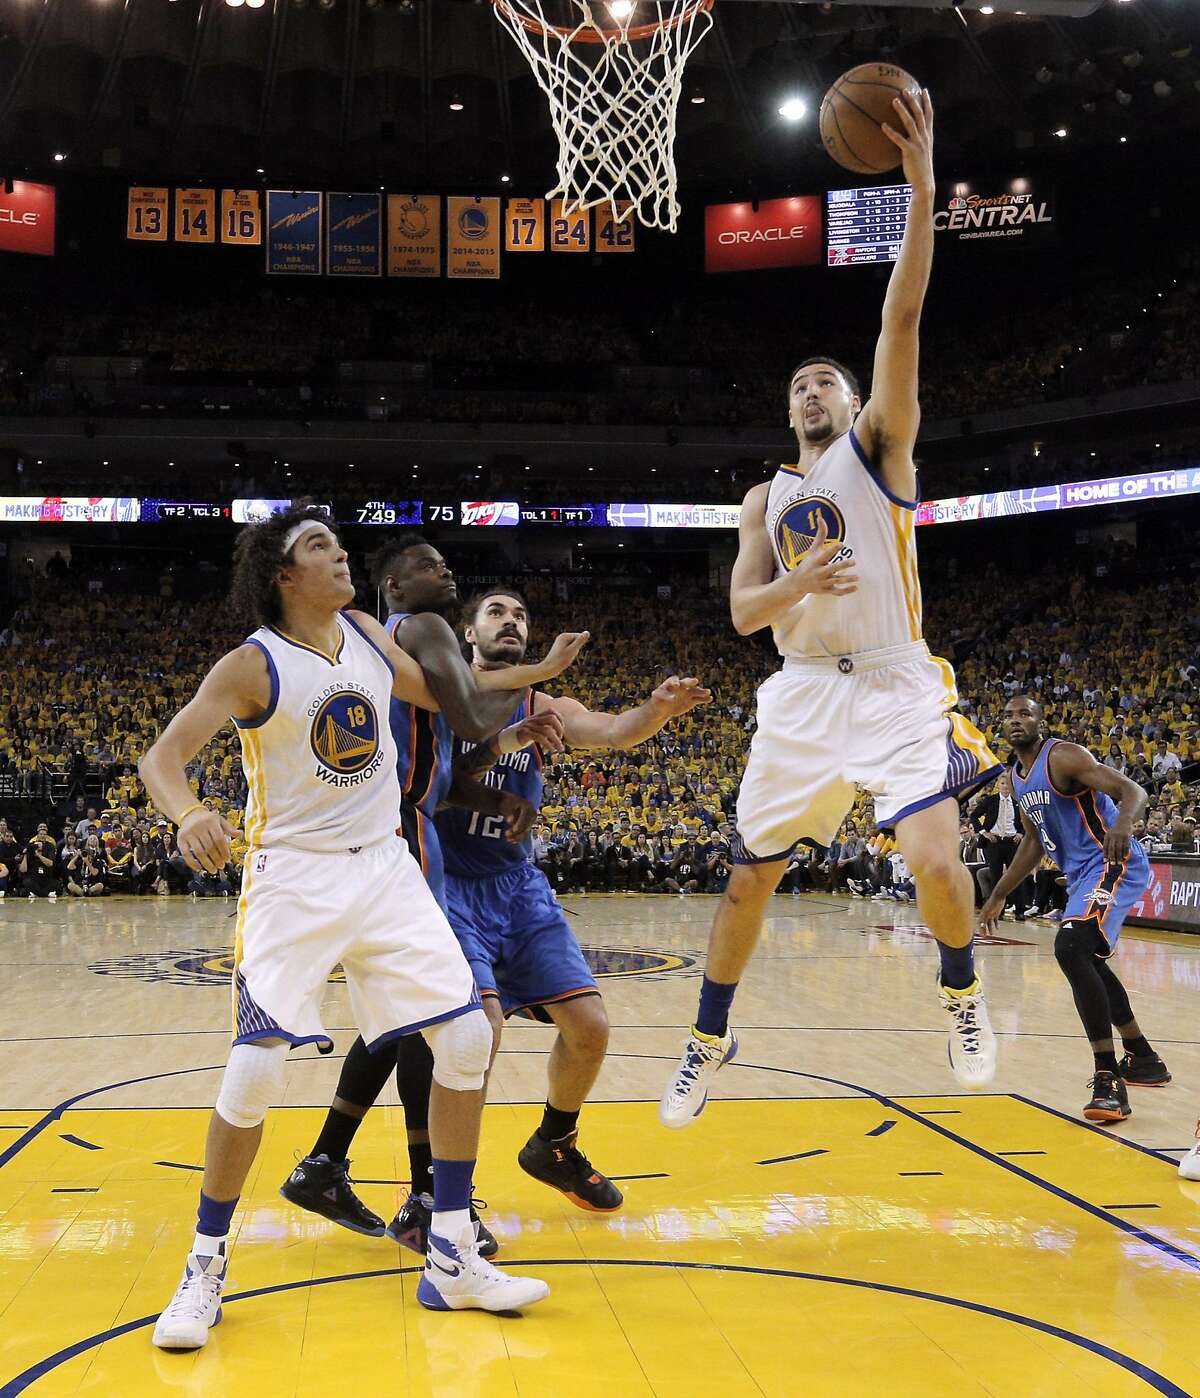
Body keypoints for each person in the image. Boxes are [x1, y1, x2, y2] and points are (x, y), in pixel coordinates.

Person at [659, 87, 1003, 1131]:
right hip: (802, 691)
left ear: (856, 405)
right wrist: (796, 586)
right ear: (789, 409)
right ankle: (708, 1039)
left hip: (895, 678)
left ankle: (962, 998)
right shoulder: (766, 495)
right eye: (802, 383)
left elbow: (901, 313)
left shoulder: (879, 451)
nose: (813, 390)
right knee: (742, 888)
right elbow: (742, 615)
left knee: (937, 860)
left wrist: (922, 193)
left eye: (828, 382)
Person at [142, 506, 558, 1352]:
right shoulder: (253, 664)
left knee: (469, 1040)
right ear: (283, 577)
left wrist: (528, 694)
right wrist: (188, 814)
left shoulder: (368, 633)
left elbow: (452, 700)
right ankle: (204, 1264)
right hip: (293, 878)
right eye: (319, 548)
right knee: (256, 1073)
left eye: (337, 543)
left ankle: (449, 1255)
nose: (340, 556)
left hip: (383, 869)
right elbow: (162, 760)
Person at [279, 536, 570, 1255]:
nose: (446, 572)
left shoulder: (388, 640)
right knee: (434, 1012)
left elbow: (444, 758)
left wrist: (488, 782)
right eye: (429, 565)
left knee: (405, 1015)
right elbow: (471, 714)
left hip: (398, 830)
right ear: (395, 584)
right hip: (400, 839)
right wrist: (545, 669)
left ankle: (329, 1165)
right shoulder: (425, 626)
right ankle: (424, 1198)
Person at [980, 696, 1170, 1123]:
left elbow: (1133, 791)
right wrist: (998, 894)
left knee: (1071, 947)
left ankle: (1108, 1079)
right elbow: (1033, 843)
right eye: (1008, 715)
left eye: (1025, 713)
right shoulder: (1017, 775)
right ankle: (1142, 1057)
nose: (1016, 721)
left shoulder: (1063, 756)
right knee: (1086, 958)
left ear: (1041, 722)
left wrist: (1122, 824)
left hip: (1112, 862)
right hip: (1083, 875)